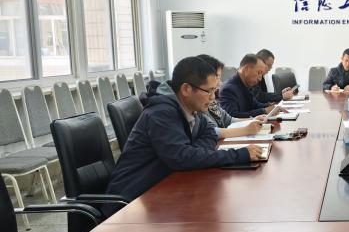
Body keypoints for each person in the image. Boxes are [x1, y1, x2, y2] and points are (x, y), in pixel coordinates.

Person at [106, 57, 264, 202]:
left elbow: (209, 134)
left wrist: (193, 153)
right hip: (132, 200)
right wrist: (240, 154)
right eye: (208, 91)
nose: (213, 98)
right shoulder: (161, 113)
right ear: (187, 89)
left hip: (164, 189)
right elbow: (182, 158)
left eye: (214, 91)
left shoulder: (193, 108)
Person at [196, 54, 266, 139]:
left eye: (220, 77)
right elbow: (211, 131)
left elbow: (229, 120)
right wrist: (246, 130)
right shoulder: (199, 103)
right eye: (217, 77)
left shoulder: (211, 101)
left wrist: (253, 120)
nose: (220, 83)